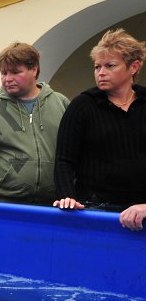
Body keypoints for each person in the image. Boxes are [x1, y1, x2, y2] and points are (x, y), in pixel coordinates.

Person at [53, 29, 146, 231]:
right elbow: (64, 160)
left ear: (134, 67)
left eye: (109, 65)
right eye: (97, 67)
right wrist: (66, 197)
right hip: (95, 208)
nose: (101, 72)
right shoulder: (82, 105)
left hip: (142, 210)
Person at [0, 42, 69, 205]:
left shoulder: (60, 103)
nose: (7, 79)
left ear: (34, 69)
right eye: (4, 73)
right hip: (5, 205)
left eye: (15, 72)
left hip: (55, 206)